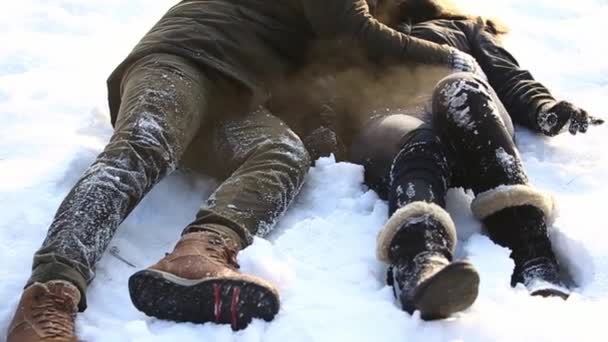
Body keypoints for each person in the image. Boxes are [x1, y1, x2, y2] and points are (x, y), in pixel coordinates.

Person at [6, 1, 484, 341]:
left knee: (283, 153)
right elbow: (350, 28)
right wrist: (447, 57)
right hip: (187, 58)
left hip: (237, 96)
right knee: (144, 146)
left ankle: (200, 251)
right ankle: (48, 297)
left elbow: (324, 86)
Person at [267, 0, 604, 320]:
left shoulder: (458, 29)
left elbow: (510, 77)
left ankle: (532, 254)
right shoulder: (346, 42)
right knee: (418, 141)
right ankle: (421, 260)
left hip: (474, 118)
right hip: (393, 123)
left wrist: (545, 108)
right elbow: (316, 99)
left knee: (461, 89)